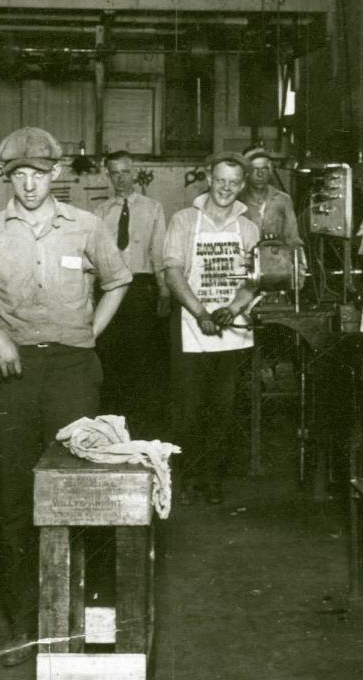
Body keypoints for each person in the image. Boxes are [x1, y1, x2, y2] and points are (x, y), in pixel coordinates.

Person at [0, 126, 131, 666]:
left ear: (56, 173)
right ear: (7, 177)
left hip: (75, 371)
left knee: (81, 492)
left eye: (39, 173)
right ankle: (25, 626)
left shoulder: (86, 226)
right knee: (15, 502)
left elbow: (119, 280)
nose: (30, 184)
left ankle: (80, 618)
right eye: (19, 175)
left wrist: (90, 333)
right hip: (14, 374)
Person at [163, 152, 261, 506]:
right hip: (191, 324)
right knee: (189, 410)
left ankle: (214, 477)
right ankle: (189, 477)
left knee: (224, 409)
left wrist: (232, 308)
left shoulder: (248, 228)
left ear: (243, 184)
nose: (226, 188)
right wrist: (201, 312)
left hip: (232, 330)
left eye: (234, 182)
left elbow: (254, 279)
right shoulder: (185, 220)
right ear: (209, 177)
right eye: (221, 180)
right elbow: (173, 272)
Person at [93, 150, 171, 438]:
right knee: (111, 358)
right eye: (115, 173)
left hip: (141, 289)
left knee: (144, 358)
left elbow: (159, 253)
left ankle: (144, 425)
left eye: (125, 172)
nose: (121, 178)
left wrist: (163, 291)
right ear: (108, 175)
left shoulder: (153, 208)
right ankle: (113, 423)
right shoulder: (100, 213)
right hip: (109, 288)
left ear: (134, 172)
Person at [238, 147, 302, 246]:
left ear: (271, 171)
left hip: (275, 258)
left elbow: (293, 239)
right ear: (246, 173)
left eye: (264, 168)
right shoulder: (238, 200)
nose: (260, 174)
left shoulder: (283, 200)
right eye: (255, 169)